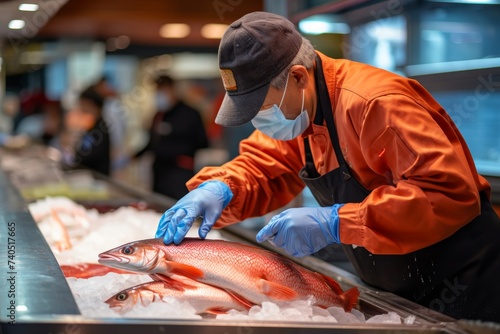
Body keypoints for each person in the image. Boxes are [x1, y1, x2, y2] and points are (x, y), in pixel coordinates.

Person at [154, 11, 500, 322]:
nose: (259, 121)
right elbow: (263, 165)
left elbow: (445, 194)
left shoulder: (375, 103)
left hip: (465, 284)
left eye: (261, 108)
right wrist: (221, 188)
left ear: (299, 77)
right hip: (396, 288)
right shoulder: (301, 111)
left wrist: (337, 222)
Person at [135, 75, 209, 200]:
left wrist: (176, 148)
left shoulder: (190, 114)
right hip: (159, 172)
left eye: (163, 90)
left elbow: (203, 142)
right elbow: (153, 142)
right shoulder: (159, 115)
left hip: (180, 172)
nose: (160, 95)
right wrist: (133, 156)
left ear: (172, 89)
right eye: (157, 91)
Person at [62, 85, 111, 176]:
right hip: (88, 174)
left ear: (91, 104)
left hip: (98, 176)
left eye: (83, 105)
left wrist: (73, 158)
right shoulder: (91, 125)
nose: (81, 108)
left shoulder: (101, 128)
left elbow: (90, 155)